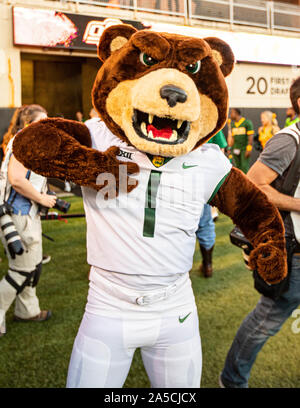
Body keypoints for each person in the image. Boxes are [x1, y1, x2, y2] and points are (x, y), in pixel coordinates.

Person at [220, 76, 300, 388]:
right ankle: (232, 380)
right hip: (292, 253)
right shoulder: (288, 140)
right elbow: (253, 184)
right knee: (268, 319)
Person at [0, 104, 56, 337]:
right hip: (18, 214)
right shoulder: (25, 142)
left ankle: (27, 310)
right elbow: (17, 180)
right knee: (21, 270)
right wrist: (42, 198)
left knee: (33, 267)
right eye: (41, 121)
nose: (46, 124)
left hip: (25, 213)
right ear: (28, 124)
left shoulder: (25, 140)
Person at [196, 130, 227, 278]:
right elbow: (220, 152)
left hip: (173, 175)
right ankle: (207, 265)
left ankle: (182, 266)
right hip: (201, 178)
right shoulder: (211, 115)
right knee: (205, 223)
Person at [227, 108, 254, 174]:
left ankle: (245, 182)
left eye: (231, 113)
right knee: (237, 167)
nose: (230, 115)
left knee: (244, 167)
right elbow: (233, 138)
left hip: (244, 149)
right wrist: (230, 147)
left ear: (236, 113)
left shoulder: (247, 123)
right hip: (235, 148)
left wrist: (249, 148)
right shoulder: (233, 125)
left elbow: (250, 136)